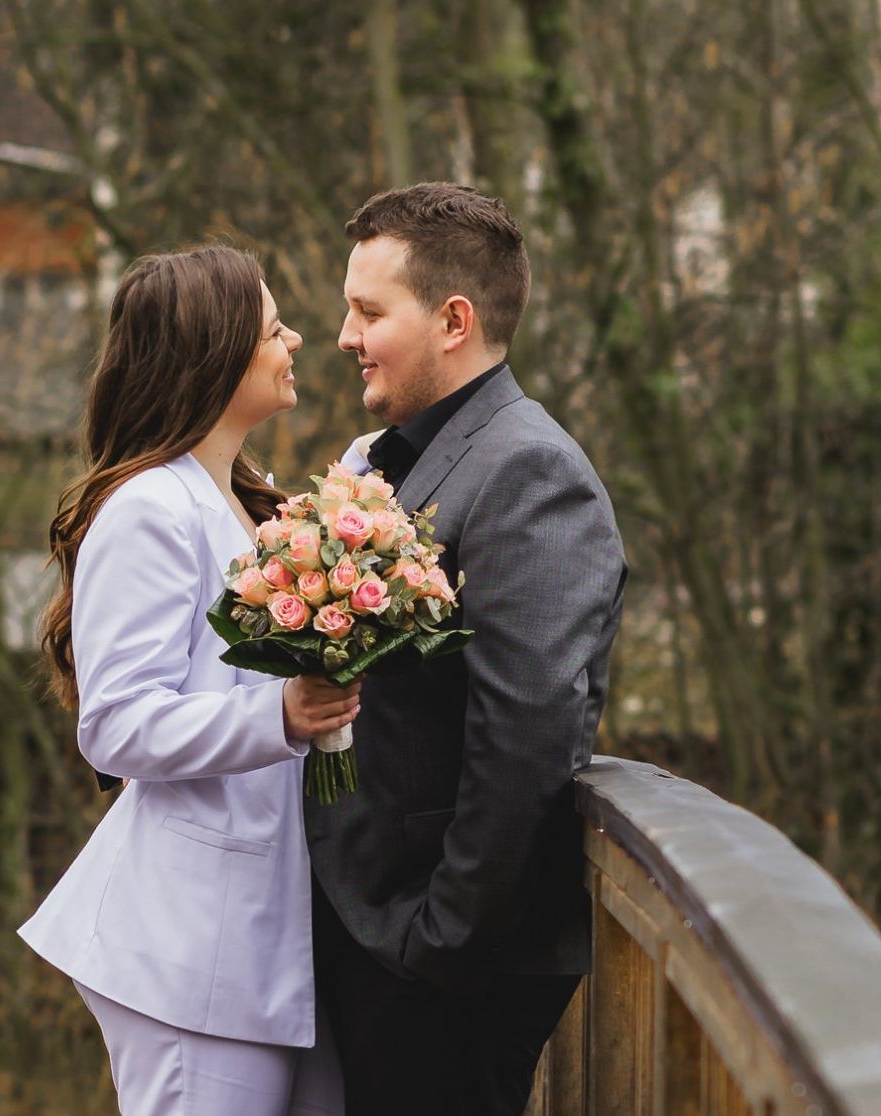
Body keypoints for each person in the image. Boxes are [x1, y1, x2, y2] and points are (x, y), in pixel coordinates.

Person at [305, 183, 627, 1116]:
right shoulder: (412, 459)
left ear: (454, 319)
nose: (344, 335)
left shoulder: (529, 470)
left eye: (369, 312)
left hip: (439, 967)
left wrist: (438, 940)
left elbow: (528, 729)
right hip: (377, 936)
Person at [19, 246, 355, 1116]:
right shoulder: (147, 510)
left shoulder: (257, 502)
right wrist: (281, 714)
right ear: (217, 354)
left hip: (275, 947)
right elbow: (118, 724)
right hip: (190, 953)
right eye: (275, 327)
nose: (298, 339)